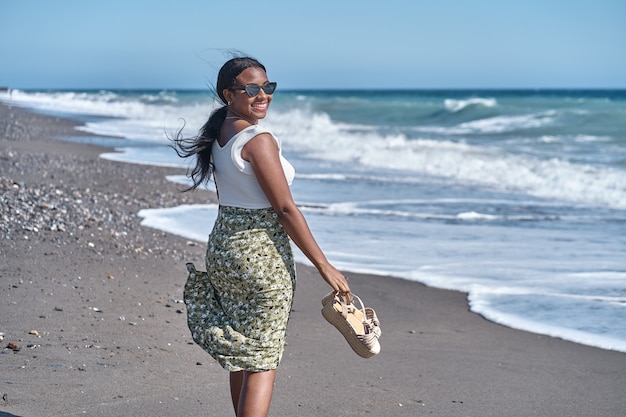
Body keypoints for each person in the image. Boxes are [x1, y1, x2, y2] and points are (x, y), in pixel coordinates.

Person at [171, 56, 350, 417]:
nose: (262, 95)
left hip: (224, 247)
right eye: (251, 89)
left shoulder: (221, 131)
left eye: (267, 87)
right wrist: (324, 266)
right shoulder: (258, 139)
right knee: (263, 358)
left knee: (243, 350)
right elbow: (285, 210)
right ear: (229, 94)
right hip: (261, 257)